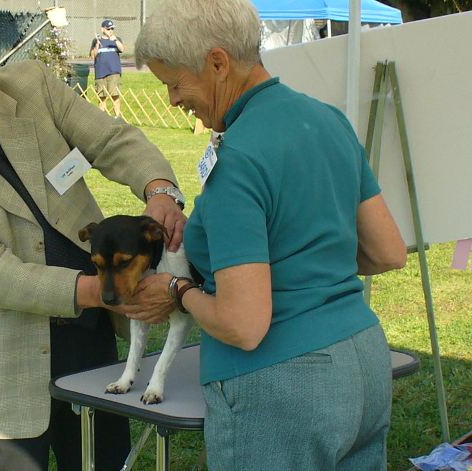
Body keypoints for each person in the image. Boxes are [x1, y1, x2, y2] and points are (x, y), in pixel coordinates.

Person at [0, 19, 186, 471]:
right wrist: (115, 294)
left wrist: (160, 190)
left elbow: (111, 140)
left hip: (91, 344)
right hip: (4, 370)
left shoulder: (33, 85)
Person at [131, 0, 408, 469]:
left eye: (174, 83)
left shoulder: (237, 158)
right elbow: (386, 251)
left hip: (283, 386)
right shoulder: (329, 120)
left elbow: (243, 324)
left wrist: (180, 292)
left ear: (217, 62)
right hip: (363, 361)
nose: (174, 100)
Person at [89, 19, 124, 117]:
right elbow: (92, 56)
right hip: (100, 72)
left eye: (112, 28)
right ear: (103, 29)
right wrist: (97, 46)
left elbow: (122, 49)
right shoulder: (96, 40)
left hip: (114, 71)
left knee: (115, 94)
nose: (111, 30)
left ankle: (117, 116)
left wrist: (115, 40)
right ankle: (102, 117)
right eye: (108, 28)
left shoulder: (116, 39)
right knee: (102, 96)